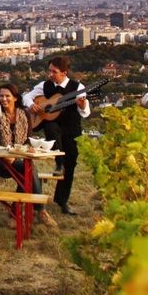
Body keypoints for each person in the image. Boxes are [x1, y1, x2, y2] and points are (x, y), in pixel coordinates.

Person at [21, 54, 91, 214]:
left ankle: (62, 200)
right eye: (50, 71)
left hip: (71, 128)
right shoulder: (44, 85)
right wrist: (32, 105)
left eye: (54, 72)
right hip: (53, 127)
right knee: (51, 126)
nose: (50, 74)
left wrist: (82, 105)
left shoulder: (78, 87)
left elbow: (85, 113)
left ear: (64, 72)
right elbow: (26, 97)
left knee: (70, 164)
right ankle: (58, 163)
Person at [0, 83, 33, 202]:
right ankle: (39, 208)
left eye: (7, 96)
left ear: (15, 98)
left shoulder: (24, 113)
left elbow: (29, 138)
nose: (4, 99)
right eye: (1, 96)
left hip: (19, 157)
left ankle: (16, 210)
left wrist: (16, 154)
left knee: (28, 173)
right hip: (0, 160)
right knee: (29, 172)